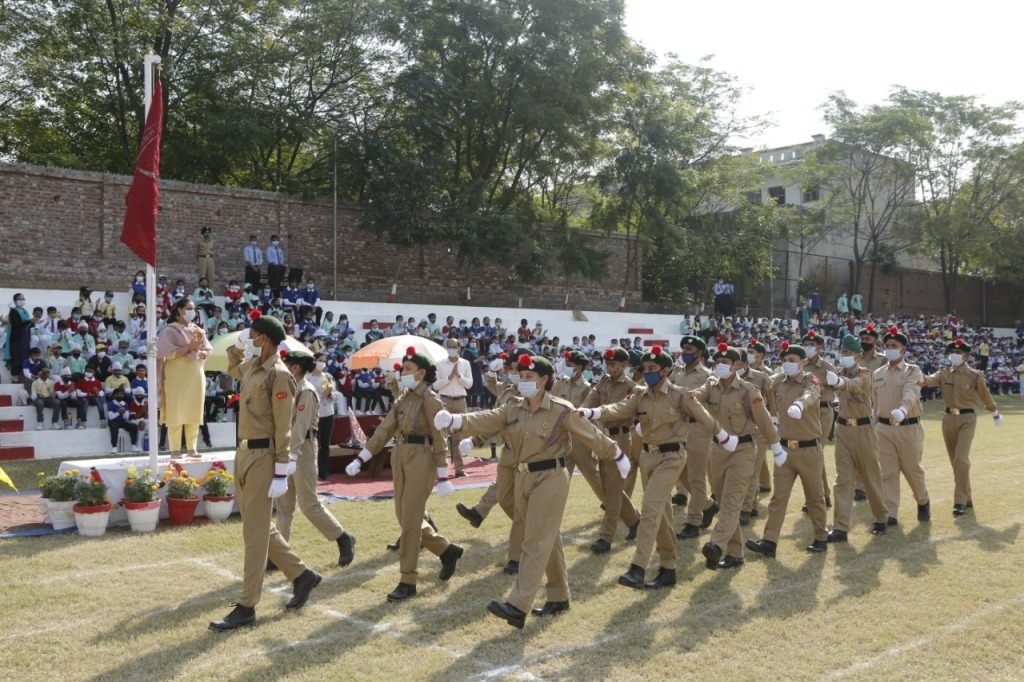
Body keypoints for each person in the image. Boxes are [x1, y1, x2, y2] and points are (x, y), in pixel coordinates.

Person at [440, 353, 628, 628]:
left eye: (530, 377)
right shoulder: (513, 407)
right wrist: (457, 421)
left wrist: (617, 455)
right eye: (522, 376)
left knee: (535, 540)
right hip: (522, 475)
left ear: (544, 380)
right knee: (547, 539)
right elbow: (487, 418)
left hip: (551, 476)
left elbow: (590, 434)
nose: (523, 380)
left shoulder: (561, 409)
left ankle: (518, 605)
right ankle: (559, 596)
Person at [582, 345, 735, 590]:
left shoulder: (680, 395)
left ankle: (637, 568)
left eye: (653, 369)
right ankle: (668, 568)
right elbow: (619, 408)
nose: (648, 372)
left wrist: (724, 437)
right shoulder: (640, 395)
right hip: (648, 458)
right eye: (646, 368)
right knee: (662, 516)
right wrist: (593, 412)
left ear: (665, 370)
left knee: (650, 508)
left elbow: (705, 417)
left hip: (672, 457)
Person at [210, 312, 322, 631]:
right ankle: (302, 575)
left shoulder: (280, 374)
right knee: (257, 524)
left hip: (264, 455)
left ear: (267, 339)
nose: (251, 339)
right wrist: (239, 343)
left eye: (254, 335)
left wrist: (280, 468)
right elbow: (232, 366)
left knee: (254, 534)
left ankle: (247, 606)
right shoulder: (254, 367)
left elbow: (284, 425)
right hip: (244, 452)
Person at [346, 346, 463, 603]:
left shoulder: (432, 401)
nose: (402, 372)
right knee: (403, 515)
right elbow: (385, 430)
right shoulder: (403, 398)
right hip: (399, 455)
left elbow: (440, 438)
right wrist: (362, 457)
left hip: (422, 457)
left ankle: (407, 580)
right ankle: (446, 550)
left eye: (407, 369)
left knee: (410, 522)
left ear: (421, 372)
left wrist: (443, 475)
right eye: (402, 369)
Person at [693, 344, 784, 569]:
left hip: (743, 450)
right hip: (718, 450)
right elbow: (694, 399)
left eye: (726, 362)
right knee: (725, 503)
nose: (721, 366)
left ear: (738, 365)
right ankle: (736, 555)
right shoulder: (710, 386)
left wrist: (776, 446)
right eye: (718, 362)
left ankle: (716, 544)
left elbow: (763, 420)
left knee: (733, 500)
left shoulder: (749, 391)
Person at [272, 350, 356, 569]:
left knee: (309, 504)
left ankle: (342, 537)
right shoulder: (290, 388)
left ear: (296, 368)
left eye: (286, 364)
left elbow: (300, 427)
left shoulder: (306, 391)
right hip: (287, 450)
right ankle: (279, 554)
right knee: (284, 505)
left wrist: (291, 456)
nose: (282, 367)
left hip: (303, 450)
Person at [746, 342, 828, 558]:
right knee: (778, 498)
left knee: (815, 498)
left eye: (792, 360)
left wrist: (800, 405)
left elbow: (812, 393)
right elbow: (769, 402)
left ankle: (820, 537)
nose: (787, 364)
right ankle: (769, 541)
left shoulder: (810, 379)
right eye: (784, 360)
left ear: (802, 362)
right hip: (785, 449)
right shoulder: (777, 382)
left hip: (809, 449)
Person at [454, 351, 526, 575]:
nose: (512, 373)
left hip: (529, 454)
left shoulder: (530, 394)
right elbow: (496, 420)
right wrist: (476, 439)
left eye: (516, 369)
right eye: (510, 369)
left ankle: (516, 556)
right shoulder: (506, 391)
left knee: (523, 507)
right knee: (505, 500)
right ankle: (533, 530)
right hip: (508, 453)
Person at [923, 338, 1002, 517]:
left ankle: (959, 502)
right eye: (952, 352)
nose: (954, 355)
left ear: (965, 356)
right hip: (948, 418)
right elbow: (928, 381)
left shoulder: (974, 375)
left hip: (967, 418)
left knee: (961, 458)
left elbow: (985, 395)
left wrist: (994, 412)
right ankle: (967, 496)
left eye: (958, 353)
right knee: (955, 461)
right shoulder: (944, 373)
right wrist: (914, 374)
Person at [825, 334, 889, 540]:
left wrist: (840, 381)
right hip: (843, 428)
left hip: (863, 430)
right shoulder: (835, 372)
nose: (845, 356)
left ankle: (881, 517)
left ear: (858, 356)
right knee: (842, 480)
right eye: (843, 352)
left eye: (849, 353)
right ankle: (840, 528)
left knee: (870, 476)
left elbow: (854, 385)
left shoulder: (865, 374)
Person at [578, 347, 641, 553]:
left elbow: (618, 410)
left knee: (612, 491)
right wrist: (582, 412)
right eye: (608, 364)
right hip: (603, 437)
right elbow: (590, 402)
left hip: (621, 437)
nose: (610, 368)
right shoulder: (603, 382)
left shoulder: (632, 386)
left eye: (614, 364)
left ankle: (606, 538)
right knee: (609, 488)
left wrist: (594, 413)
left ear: (624, 365)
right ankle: (635, 522)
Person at [872, 326, 930, 526]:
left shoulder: (913, 371)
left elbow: (912, 393)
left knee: (912, 470)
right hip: (884, 428)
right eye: (887, 345)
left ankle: (923, 501)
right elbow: (874, 403)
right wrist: (873, 427)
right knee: (887, 473)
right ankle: (891, 513)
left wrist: (903, 409)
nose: (889, 349)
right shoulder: (878, 373)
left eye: (894, 346)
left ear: (903, 349)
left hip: (908, 426)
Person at [669, 335, 718, 539]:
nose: (684, 353)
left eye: (688, 349)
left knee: (697, 476)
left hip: (698, 429)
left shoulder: (709, 376)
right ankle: (707, 504)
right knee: (679, 472)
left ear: (699, 352)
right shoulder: (676, 373)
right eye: (683, 350)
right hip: (677, 429)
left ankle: (693, 521)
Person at [157, 299, 212, 456]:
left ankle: (191, 448)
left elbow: (208, 349)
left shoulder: (197, 330)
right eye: (189, 308)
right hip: (176, 376)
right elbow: (165, 353)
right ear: (179, 310)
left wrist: (201, 353)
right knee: (176, 410)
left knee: (194, 409)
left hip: (196, 374)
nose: (192, 312)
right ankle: (174, 449)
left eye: (193, 309)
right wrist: (189, 347)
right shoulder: (170, 330)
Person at [801, 330, 835, 507]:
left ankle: (816, 498)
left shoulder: (828, 367)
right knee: (813, 454)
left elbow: (837, 388)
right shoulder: (801, 366)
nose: (808, 348)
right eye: (806, 344)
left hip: (823, 411)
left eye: (812, 345)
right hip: (806, 413)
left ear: (820, 347)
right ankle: (823, 495)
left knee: (815, 452)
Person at [433, 336, 473, 476]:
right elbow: (436, 385)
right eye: (449, 346)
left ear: (459, 348)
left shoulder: (465, 363)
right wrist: (449, 377)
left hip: (461, 400)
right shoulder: (440, 364)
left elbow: (469, 384)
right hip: (444, 400)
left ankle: (459, 469)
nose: (452, 349)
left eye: (454, 347)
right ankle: (441, 469)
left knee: (458, 436)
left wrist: (459, 376)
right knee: (441, 435)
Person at [310, 353, 336, 480]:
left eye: (324, 361)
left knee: (325, 444)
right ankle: (312, 470)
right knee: (312, 442)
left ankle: (324, 472)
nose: (322, 363)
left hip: (328, 413)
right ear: (314, 361)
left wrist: (330, 392)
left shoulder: (328, 377)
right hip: (314, 414)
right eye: (320, 360)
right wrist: (322, 394)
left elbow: (333, 395)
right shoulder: (308, 378)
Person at [5, 293, 34, 378]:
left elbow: (27, 325)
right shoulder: (13, 311)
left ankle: (23, 376)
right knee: (17, 357)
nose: (22, 300)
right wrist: (30, 321)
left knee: (25, 356)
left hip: (25, 337)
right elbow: (17, 325)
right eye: (20, 299)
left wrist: (34, 322)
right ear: (15, 301)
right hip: (17, 338)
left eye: (23, 299)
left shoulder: (25, 312)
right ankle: (15, 377)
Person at [106, 386, 140, 453]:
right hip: (113, 421)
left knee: (134, 426)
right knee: (114, 428)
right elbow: (111, 417)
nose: (119, 396)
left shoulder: (125, 404)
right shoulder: (110, 404)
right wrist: (118, 412)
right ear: (114, 395)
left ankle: (133, 445)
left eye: (121, 394)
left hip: (123, 421)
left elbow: (126, 417)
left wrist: (124, 412)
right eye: (117, 394)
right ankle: (114, 447)